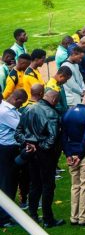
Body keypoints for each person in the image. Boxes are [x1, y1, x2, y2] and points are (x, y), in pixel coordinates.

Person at [14, 89, 62, 227]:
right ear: (53, 100)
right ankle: (48, 218)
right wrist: (39, 147)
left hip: (31, 152)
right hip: (44, 155)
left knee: (34, 184)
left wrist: (27, 143)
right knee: (47, 185)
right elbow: (52, 139)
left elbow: (18, 132)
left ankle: (33, 215)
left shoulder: (28, 109)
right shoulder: (52, 113)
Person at [61, 93, 85, 227]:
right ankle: (84, 217)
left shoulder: (68, 112)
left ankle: (73, 217)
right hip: (84, 156)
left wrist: (68, 154)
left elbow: (63, 136)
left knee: (75, 186)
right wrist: (80, 156)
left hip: (71, 155)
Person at [0, 89, 26, 227]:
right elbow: (20, 126)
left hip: (9, 149)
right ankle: (3, 218)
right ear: (17, 100)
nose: (21, 106)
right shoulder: (5, 112)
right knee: (7, 183)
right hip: (6, 150)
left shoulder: (7, 108)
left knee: (10, 182)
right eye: (21, 104)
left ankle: (7, 215)